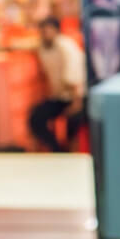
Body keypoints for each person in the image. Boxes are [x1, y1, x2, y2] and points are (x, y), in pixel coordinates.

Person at [29, 16, 87, 152]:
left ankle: (72, 153)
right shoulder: (43, 48)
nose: (45, 33)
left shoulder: (66, 46)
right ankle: (58, 150)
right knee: (36, 118)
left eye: (48, 30)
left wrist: (76, 102)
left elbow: (75, 74)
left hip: (76, 97)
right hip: (59, 97)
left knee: (74, 121)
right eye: (43, 30)